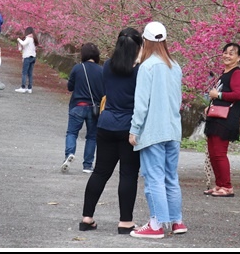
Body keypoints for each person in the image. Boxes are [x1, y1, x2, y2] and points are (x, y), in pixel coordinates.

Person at [80, 27, 143, 234]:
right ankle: (125, 222)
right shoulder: (140, 70)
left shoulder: (107, 66)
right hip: (128, 127)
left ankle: (87, 217)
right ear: (138, 46)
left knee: (100, 172)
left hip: (106, 124)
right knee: (128, 174)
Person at [128, 22, 187, 238]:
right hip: (173, 129)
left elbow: (141, 103)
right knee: (171, 177)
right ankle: (177, 221)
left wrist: (134, 129)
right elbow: (177, 100)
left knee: (153, 178)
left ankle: (156, 223)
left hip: (153, 130)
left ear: (146, 41)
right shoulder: (175, 66)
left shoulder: (147, 67)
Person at [203, 43, 240, 197]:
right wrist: (211, 106)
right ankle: (219, 184)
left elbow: (238, 94)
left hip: (226, 119)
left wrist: (218, 96)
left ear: (239, 57)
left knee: (220, 153)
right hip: (216, 117)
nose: (227, 56)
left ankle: (227, 186)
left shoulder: (237, 74)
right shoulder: (224, 73)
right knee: (213, 152)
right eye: (225, 52)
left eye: (232, 53)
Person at [62, 43, 104, 174]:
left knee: (72, 133)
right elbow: (104, 91)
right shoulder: (101, 70)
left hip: (78, 106)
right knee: (91, 137)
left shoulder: (77, 68)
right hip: (94, 108)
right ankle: (87, 165)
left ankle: (69, 153)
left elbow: (70, 87)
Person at [15, 27, 38, 93]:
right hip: (33, 57)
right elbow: (20, 48)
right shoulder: (33, 39)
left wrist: (19, 40)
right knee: (30, 73)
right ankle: (29, 88)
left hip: (27, 57)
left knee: (24, 73)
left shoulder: (29, 38)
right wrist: (19, 43)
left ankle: (23, 87)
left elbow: (23, 44)